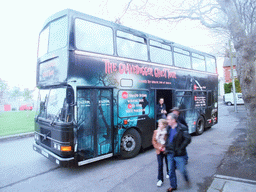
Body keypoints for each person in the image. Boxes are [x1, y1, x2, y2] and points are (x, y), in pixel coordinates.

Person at [165, 113, 191, 192]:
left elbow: (188, 139)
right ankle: (173, 186)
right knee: (171, 170)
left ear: (173, 120)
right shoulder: (168, 128)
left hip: (179, 153)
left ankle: (186, 179)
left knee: (182, 170)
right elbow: (167, 138)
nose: (167, 121)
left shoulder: (182, 128)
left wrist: (181, 148)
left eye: (168, 119)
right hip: (170, 153)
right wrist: (165, 146)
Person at [152, 119, 169, 187]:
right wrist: (158, 147)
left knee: (167, 162)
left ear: (164, 125)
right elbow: (154, 141)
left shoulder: (167, 132)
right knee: (160, 165)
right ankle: (160, 179)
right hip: (159, 151)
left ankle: (168, 172)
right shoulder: (156, 132)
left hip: (166, 150)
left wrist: (165, 147)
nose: (159, 125)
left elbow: (169, 141)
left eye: (160, 124)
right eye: (159, 124)